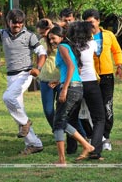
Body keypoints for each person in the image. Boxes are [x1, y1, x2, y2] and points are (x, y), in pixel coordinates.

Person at [0, 9, 47, 155]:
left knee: (8, 98)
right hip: (11, 76)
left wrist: (38, 68)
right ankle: (34, 144)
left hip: (25, 74)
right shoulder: (3, 34)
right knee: (18, 109)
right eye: (14, 23)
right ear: (9, 22)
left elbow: (42, 53)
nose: (17, 25)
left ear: (23, 23)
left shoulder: (29, 36)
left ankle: (25, 123)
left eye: (20, 23)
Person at [46, 25, 95, 164]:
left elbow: (71, 67)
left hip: (71, 88)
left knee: (58, 124)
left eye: (53, 38)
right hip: (77, 87)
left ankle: (63, 159)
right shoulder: (69, 48)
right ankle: (86, 145)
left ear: (61, 37)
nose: (51, 41)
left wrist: (64, 88)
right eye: (49, 39)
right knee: (61, 121)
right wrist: (59, 81)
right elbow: (76, 72)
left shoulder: (62, 47)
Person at [82, 9, 122, 151]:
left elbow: (116, 50)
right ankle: (94, 136)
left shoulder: (108, 35)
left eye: (92, 22)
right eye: (86, 23)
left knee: (107, 107)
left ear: (98, 21)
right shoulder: (83, 37)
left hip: (106, 76)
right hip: (90, 77)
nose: (90, 26)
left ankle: (106, 136)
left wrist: (119, 65)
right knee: (91, 109)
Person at [66, 21, 106, 160]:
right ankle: (94, 150)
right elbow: (98, 48)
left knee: (71, 117)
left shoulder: (69, 46)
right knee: (99, 118)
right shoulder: (92, 44)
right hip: (91, 84)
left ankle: (72, 148)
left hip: (74, 84)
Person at [35, 19, 60, 129]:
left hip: (60, 78)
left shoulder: (58, 40)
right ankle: (56, 130)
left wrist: (51, 25)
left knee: (62, 109)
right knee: (48, 110)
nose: (42, 35)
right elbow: (37, 59)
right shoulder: (41, 43)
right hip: (45, 79)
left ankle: (65, 131)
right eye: (40, 33)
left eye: (43, 33)